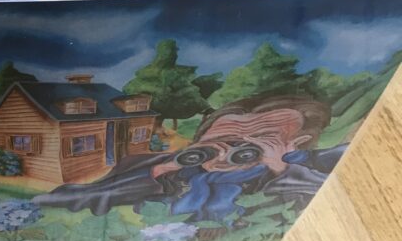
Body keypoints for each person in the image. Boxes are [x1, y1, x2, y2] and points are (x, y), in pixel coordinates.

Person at [35, 93, 346, 223]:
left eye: (257, 141)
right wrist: (159, 173)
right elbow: (59, 200)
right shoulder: (163, 166)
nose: (227, 154)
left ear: (296, 142)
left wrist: (279, 167)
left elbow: (325, 204)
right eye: (217, 142)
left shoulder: (314, 166)